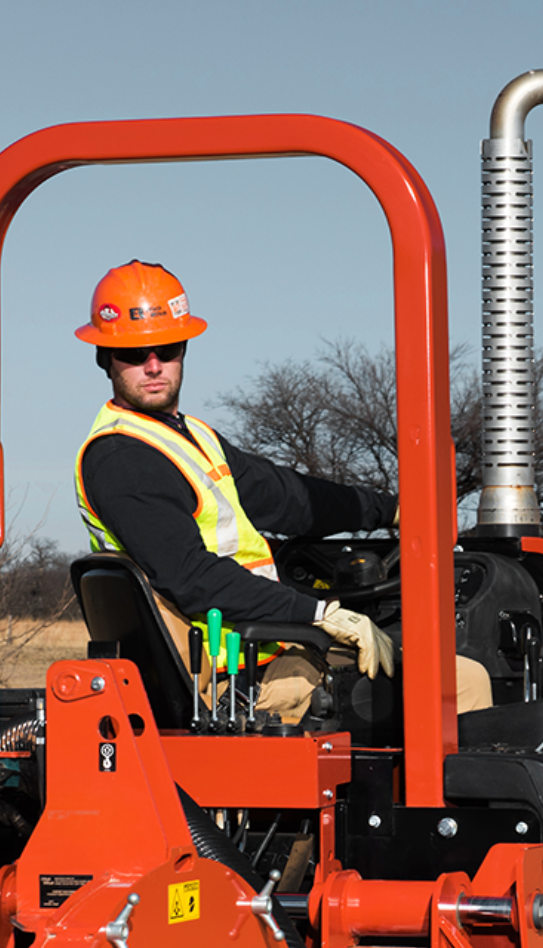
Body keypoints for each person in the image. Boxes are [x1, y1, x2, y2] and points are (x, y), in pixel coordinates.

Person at [74, 260, 489, 720]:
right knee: (463, 684)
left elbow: (286, 497)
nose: (152, 366)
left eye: (165, 348)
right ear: (105, 359)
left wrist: (390, 511)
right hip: (228, 684)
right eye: (133, 355)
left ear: (183, 349)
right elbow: (192, 579)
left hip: (262, 648)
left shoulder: (187, 436)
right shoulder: (122, 457)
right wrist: (319, 613)